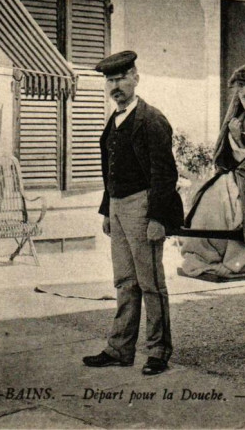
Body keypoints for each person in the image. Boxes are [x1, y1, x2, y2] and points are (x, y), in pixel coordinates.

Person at [83, 50, 184, 375]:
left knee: (151, 282)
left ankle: (158, 352)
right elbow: (109, 170)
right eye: (110, 81)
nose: (115, 86)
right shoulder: (114, 121)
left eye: (121, 79)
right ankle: (119, 349)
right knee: (125, 281)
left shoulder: (151, 120)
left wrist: (157, 218)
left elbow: (164, 174)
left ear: (135, 78)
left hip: (144, 206)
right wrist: (107, 212)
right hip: (118, 206)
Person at [180, 69, 245, 278]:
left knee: (233, 201)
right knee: (209, 197)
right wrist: (236, 137)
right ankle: (207, 254)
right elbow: (236, 159)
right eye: (244, 96)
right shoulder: (240, 120)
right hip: (242, 176)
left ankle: (238, 260)